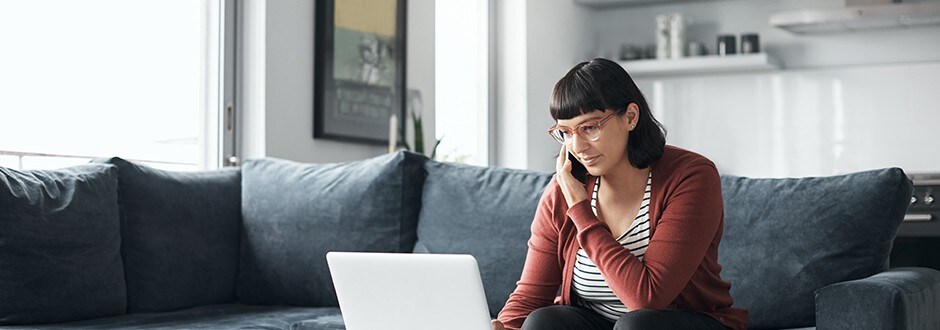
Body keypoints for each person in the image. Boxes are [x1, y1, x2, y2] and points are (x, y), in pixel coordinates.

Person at [492, 58, 748, 330]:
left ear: (630, 117)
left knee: (637, 325)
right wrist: (502, 326)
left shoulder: (691, 176)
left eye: (589, 128)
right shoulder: (562, 190)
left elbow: (648, 298)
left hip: (675, 322)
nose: (577, 146)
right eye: (565, 133)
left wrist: (581, 212)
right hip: (600, 322)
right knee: (544, 320)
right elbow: (531, 295)